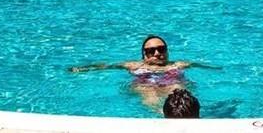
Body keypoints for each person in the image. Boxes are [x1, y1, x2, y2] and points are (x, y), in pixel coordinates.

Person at [70, 36, 207, 112]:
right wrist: (82, 69)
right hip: (146, 85)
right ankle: (161, 115)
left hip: (171, 83)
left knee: (178, 89)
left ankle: (179, 114)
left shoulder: (178, 64)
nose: (157, 53)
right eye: (151, 51)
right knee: (148, 92)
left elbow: (206, 66)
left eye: (161, 49)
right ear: (144, 55)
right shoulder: (134, 65)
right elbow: (106, 66)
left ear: (167, 51)